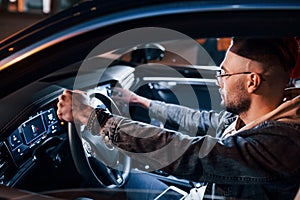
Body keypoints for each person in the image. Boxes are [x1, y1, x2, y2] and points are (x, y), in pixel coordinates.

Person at [57, 37, 300, 199]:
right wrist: (144, 103)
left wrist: (91, 117)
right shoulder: (258, 116)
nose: (219, 82)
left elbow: (188, 154)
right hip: (201, 192)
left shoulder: (280, 145)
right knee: (125, 178)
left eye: (223, 73)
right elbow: (202, 120)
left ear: (252, 81)